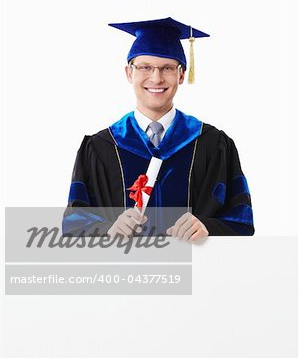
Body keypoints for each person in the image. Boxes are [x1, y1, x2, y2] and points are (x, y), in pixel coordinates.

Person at [63, 17, 254, 240]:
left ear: (181, 75)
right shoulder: (99, 147)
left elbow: (241, 222)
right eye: (145, 67)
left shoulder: (214, 144)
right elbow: (73, 226)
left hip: (199, 272)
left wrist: (207, 228)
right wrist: (108, 229)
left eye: (167, 68)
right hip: (123, 273)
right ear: (129, 73)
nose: (156, 78)